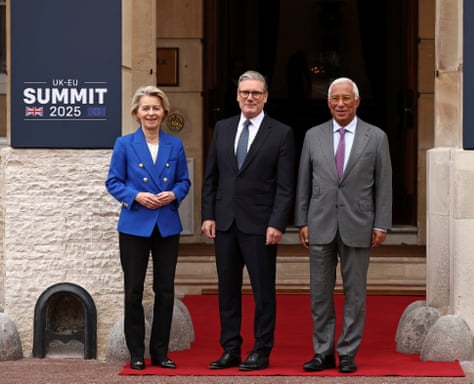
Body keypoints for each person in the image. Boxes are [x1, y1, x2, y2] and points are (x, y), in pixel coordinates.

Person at [295, 77, 392, 373]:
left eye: (346, 98)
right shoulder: (313, 135)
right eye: (335, 98)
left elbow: (384, 184)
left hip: (359, 224)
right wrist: (302, 220)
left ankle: (347, 352)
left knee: (355, 293)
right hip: (320, 223)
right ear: (328, 102)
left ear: (357, 101)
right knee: (319, 293)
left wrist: (382, 224)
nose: (340, 103)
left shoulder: (375, 137)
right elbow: (303, 181)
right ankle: (323, 351)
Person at [201, 70, 296, 371]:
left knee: (262, 292)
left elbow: (285, 185)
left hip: (260, 226)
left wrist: (277, 223)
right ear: (238, 96)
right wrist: (208, 215)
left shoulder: (281, 133)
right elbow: (211, 176)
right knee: (227, 290)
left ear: (266, 96)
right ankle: (230, 349)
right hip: (225, 223)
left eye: (256, 93)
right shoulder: (223, 128)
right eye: (245, 93)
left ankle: (261, 349)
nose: (250, 98)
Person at [106, 85, 191, 370]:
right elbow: (113, 182)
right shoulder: (124, 144)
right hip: (135, 224)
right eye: (146, 108)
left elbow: (184, 181)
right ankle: (137, 353)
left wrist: (174, 194)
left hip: (166, 224)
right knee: (133, 291)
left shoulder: (174, 145)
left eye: (156, 108)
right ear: (136, 112)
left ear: (164, 112)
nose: (151, 113)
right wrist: (136, 196)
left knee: (165, 290)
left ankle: (161, 351)